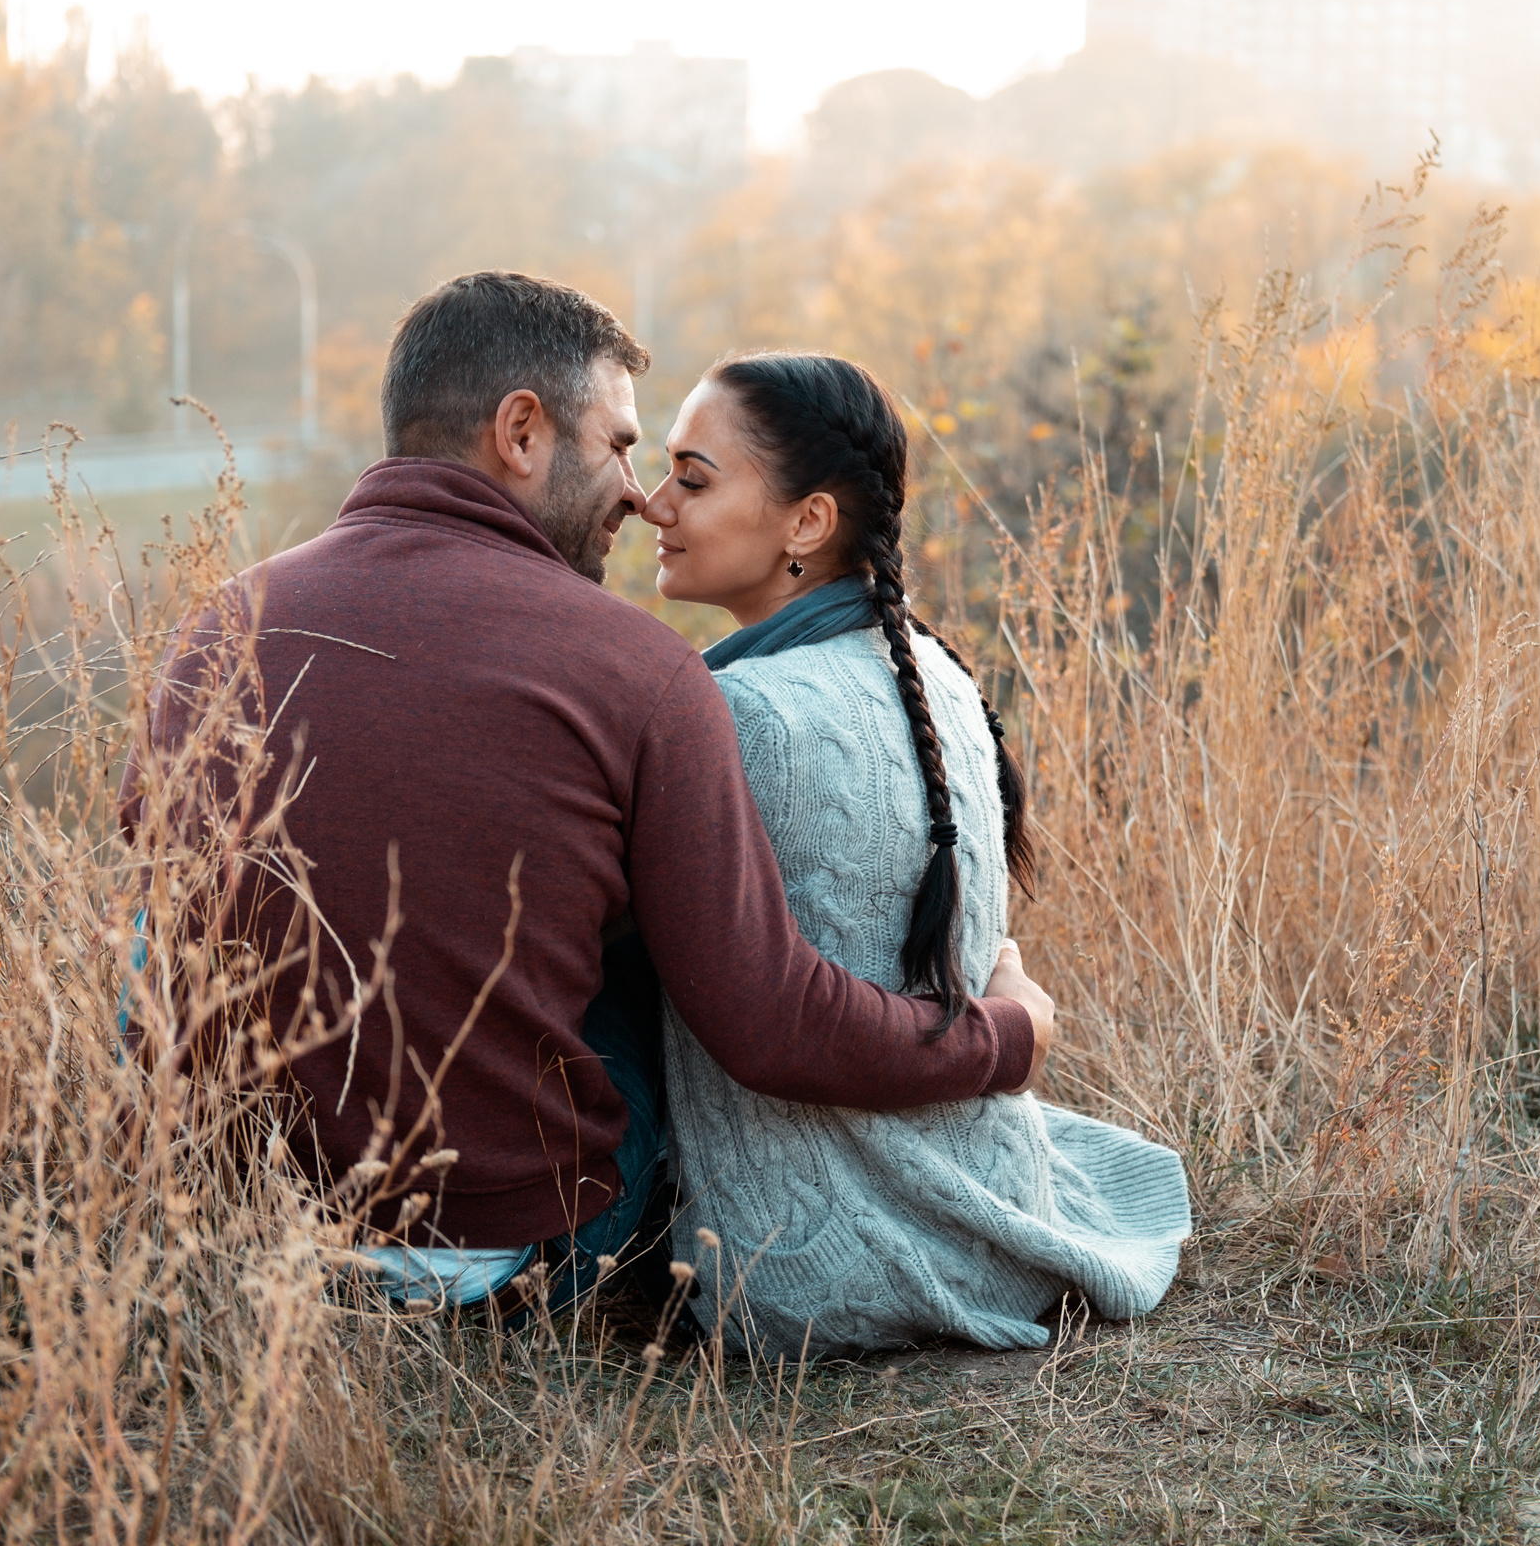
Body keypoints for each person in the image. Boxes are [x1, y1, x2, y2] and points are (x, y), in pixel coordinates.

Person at [120, 274, 1054, 1317]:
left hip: (217, 1236)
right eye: (619, 446)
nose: (635, 492)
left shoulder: (216, 624)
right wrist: (1002, 1035)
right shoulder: (639, 671)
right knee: (651, 954)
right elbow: (770, 1026)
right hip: (492, 1261)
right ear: (521, 430)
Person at [643, 352, 1190, 1357]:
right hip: (985, 1203)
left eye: (692, 475)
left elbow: (761, 1019)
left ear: (806, 523)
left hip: (798, 1269)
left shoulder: (744, 713)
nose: (651, 501)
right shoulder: (934, 670)